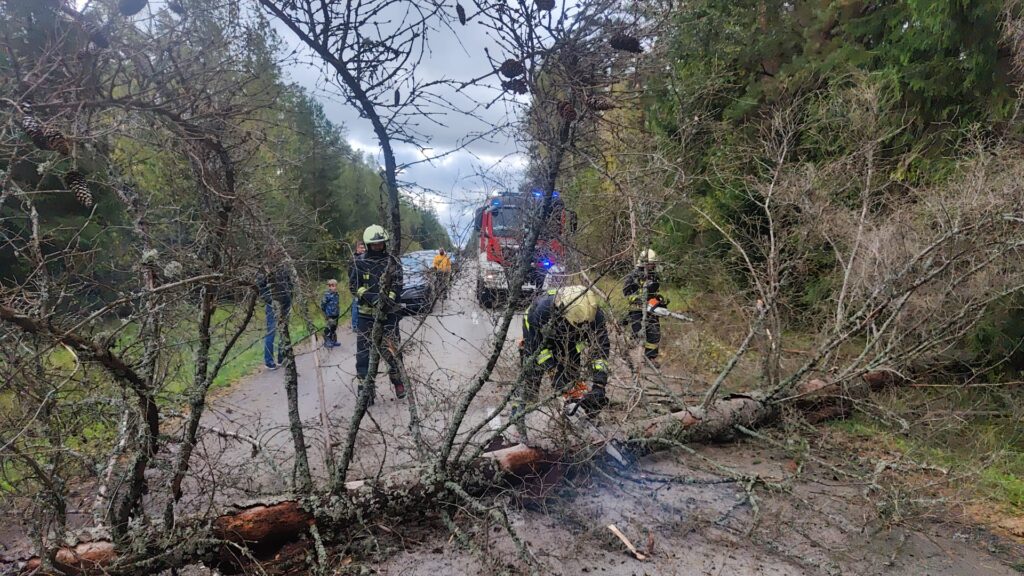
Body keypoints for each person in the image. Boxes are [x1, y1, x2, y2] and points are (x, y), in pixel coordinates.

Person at [513, 285, 611, 430]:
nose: (583, 326)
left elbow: (600, 350)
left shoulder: (595, 315)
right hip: (537, 335)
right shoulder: (541, 311)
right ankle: (519, 418)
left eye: (584, 324)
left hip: (569, 340)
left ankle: (572, 419)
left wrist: (599, 384)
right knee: (532, 374)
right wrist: (554, 373)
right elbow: (540, 351)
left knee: (571, 378)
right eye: (579, 324)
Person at [349, 225, 407, 404]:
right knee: (364, 355)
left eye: (380, 244)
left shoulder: (392, 262)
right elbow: (353, 286)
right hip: (366, 317)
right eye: (374, 244)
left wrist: (387, 300)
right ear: (367, 245)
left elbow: (398, 284)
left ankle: (398, 382)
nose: (377, 247)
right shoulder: (358, 263)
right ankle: (366, 390)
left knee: (392, 351)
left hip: (388, 316)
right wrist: (369, 297)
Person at [623, 248, 665, 366]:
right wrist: (638, 298)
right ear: (644, 262)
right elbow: (626, 293)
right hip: (636, 309)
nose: (653, 265)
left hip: (651, 309)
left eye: (653, 263)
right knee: (637, 332)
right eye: (651, 263)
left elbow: (655, 293)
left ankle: (650, 357)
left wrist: (658, 301)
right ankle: (627, 352)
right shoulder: (633, 276)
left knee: (654, 332)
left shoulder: (654, 276)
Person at [257, 263, 294, 370]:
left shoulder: (283, 265)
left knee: (284, 330)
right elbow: (261, 288)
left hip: (286, 303)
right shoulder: (264, 268)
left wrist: (290, 297)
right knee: (271, 332)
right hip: (272, 305)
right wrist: (271, 301)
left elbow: (290, 283)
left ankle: (281, 357)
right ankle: (269, 361)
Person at [350, 241, 366, 331]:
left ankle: (358, 323)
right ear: (357, 248)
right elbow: (351, 274)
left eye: (364, 248)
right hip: (356, 285)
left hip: (363, 285)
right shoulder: (355, 259)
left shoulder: (364, 258)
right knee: (356, 305)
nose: (363, 249)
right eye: (361, 247)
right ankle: (355, 325)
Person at [321, 279, 341, 348]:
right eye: (332, 286)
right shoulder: (326, 295)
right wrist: (325, 314)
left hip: (336, 314)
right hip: (329, 314)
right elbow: (323, 305)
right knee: (328, 328)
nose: (334, 287)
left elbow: (337, 304)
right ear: (329, 287)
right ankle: (327, 341)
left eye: (335, 286)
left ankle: (333, 340)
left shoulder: (337, 294)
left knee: (334, 328)